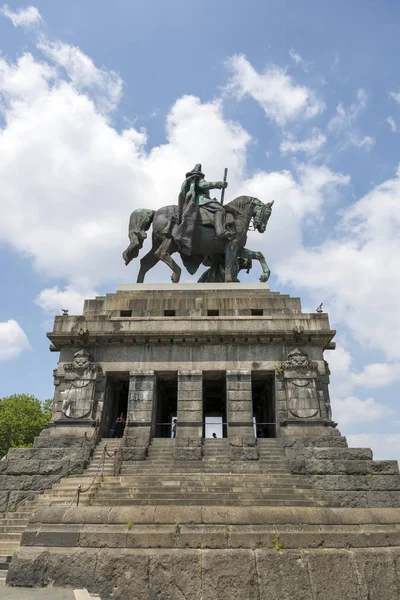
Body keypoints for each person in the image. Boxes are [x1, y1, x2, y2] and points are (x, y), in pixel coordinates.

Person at [173, 164, 233, 255]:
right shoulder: (198, 179)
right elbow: (204, 185)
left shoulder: (191, 180)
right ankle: (220, 231)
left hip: (200, 200)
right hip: (201, 200)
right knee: (220, 209)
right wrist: (219, 184)